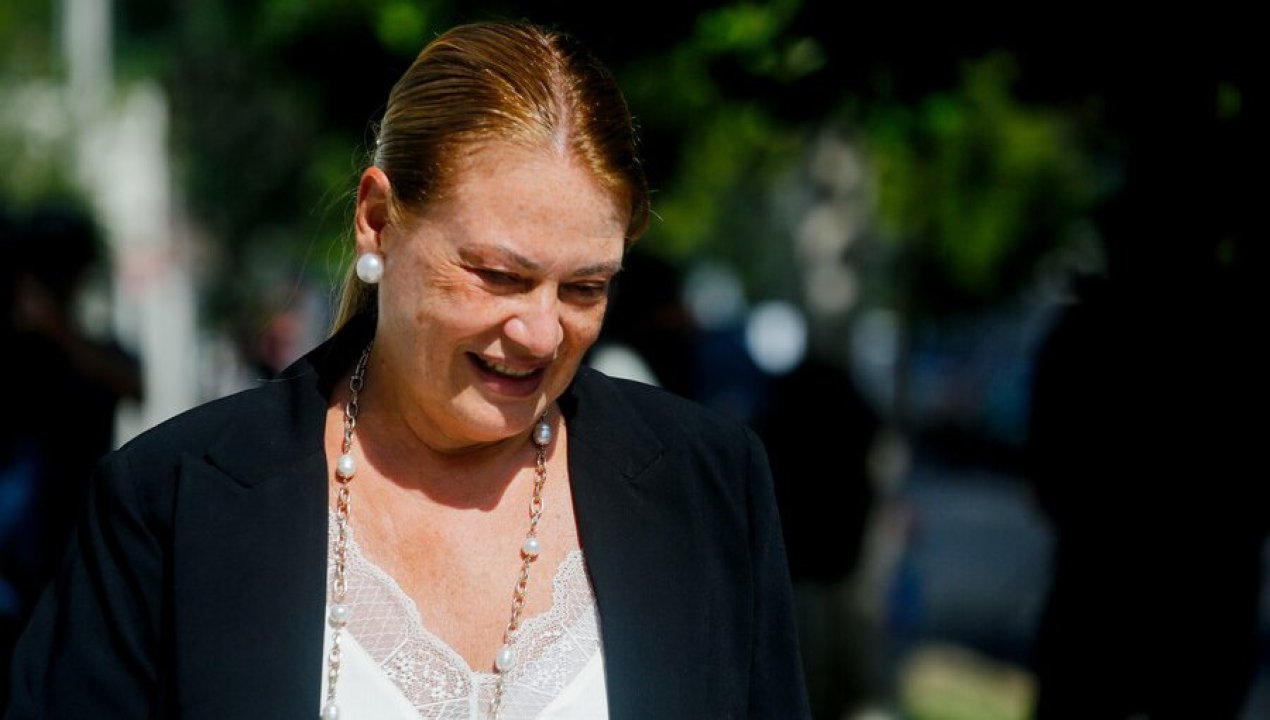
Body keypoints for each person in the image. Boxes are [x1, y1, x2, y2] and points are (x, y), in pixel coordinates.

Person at [4, 20, 810, 719]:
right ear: (377, 221)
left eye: (585, 288)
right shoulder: (174, 503)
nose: (539, 332)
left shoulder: (707, 487)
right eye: (498, 275)